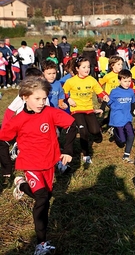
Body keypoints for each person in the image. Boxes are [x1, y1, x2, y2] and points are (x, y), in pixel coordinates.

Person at [0, 77, 77, 255]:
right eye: (37, 99)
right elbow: (3, 138)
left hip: (49, 162)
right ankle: (41, 244)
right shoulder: (17, 120)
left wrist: (68, 150)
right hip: (30, 164)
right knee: (42, 199)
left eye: (44, 98)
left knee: (47, 195)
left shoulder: (50, 112)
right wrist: (7, 164)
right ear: (25, 97)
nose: (42, 103)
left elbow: (72, 125)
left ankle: (21, 185)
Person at [63, 56, 109, 164]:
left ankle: (98, 132)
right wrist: (68, 99)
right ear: (77, 69)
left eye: (88, 67)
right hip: (76, 110)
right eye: (84, 67)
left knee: (94, 130)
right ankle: (86, 155)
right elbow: (63, 92)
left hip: (89, 109)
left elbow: (100, 91)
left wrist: (104, 96)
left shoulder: (92, 80)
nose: (87, 69)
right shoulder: (71, 81)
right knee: (83, 131)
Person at [108, 69, 135, 163]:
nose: (127, 83)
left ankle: (126, 155)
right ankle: (114, 130)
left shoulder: (130, 92)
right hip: (117, 118)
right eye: (125, 81)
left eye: (129, 81)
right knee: (122, 141)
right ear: (119, 80)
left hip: (127, 117)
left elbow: (133, 103)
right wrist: (109, 107)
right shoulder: (114, 92)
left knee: (131, 135)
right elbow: (108, 102)